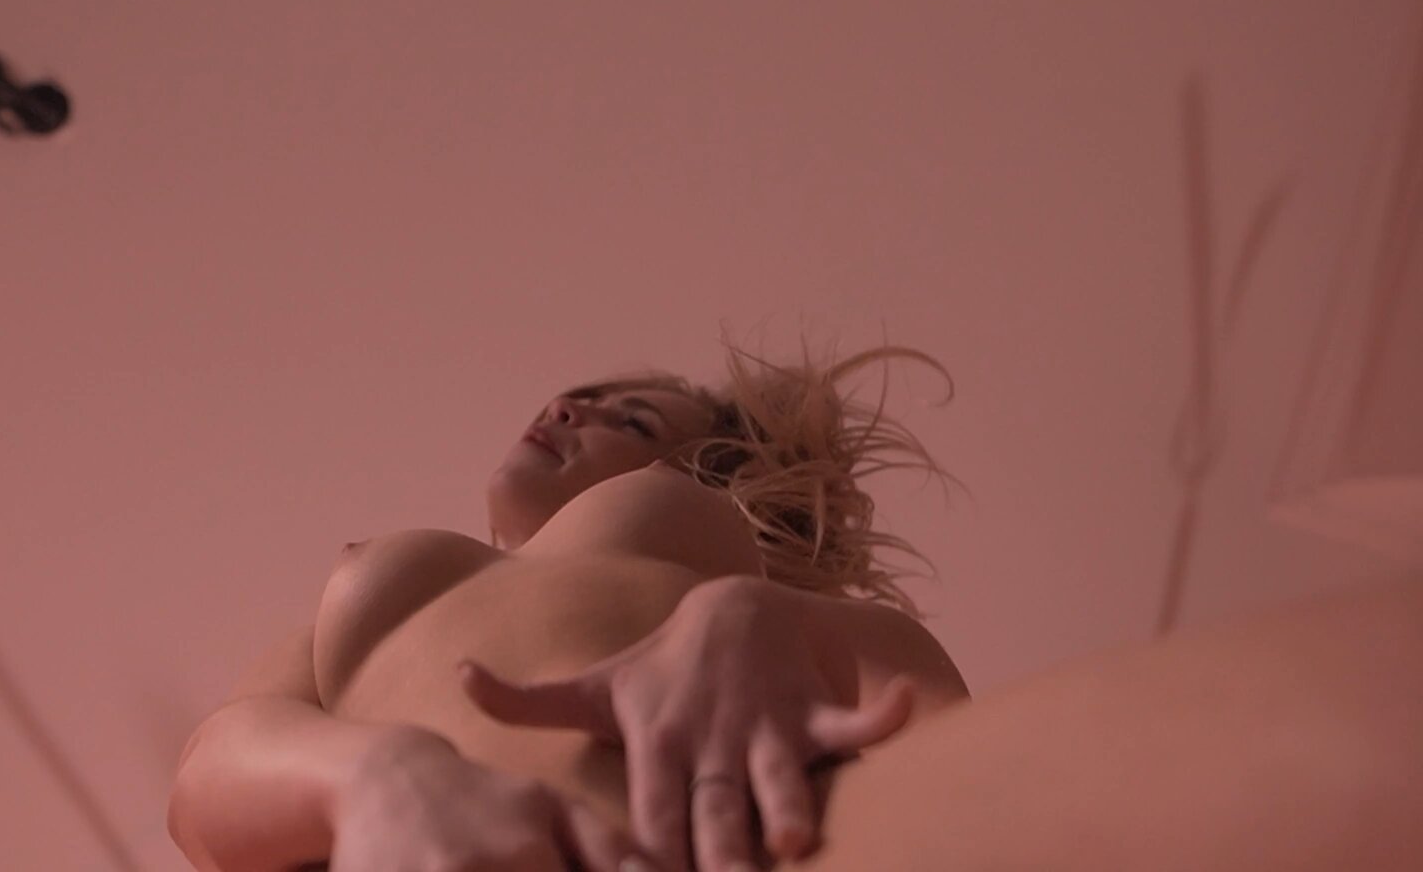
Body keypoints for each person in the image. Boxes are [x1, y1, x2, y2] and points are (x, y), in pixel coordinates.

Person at [167, 334, 1423, 872]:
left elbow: (925, 707)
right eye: (570, 397)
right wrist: (384, 779)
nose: (571, 409)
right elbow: (212, 781)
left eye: (631, 416)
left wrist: (760, 616)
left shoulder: (731, 569)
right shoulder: (364, 598)